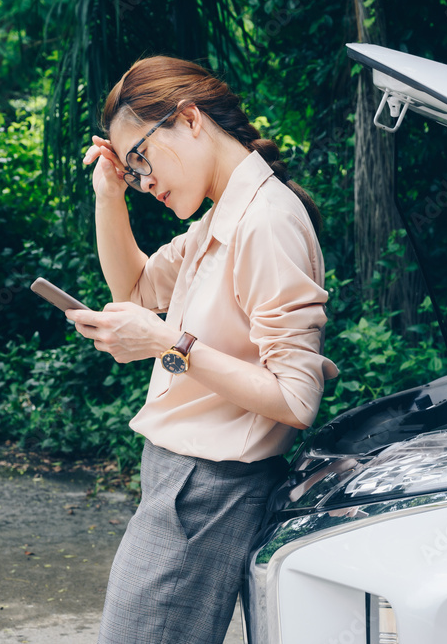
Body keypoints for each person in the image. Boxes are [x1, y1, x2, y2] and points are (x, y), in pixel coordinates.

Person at [64, 55, 338, 644]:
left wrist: (169, 342)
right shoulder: (223, 218)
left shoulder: (264, 221)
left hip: (207, 487)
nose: (146, 181)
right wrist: (109, 194)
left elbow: (296, 398)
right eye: (131, 169)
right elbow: (135, 288)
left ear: (189, 119)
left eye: (140, 159)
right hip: (180, 480)